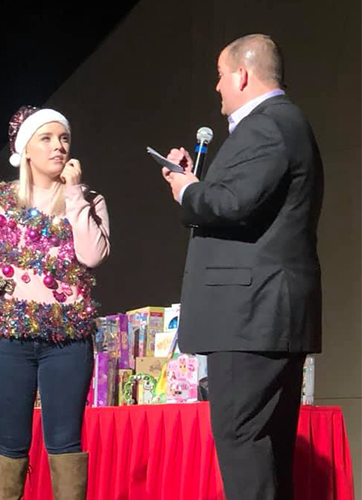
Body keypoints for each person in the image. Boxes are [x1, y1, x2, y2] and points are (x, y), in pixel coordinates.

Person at [162, 34, 323, 500]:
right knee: (265, 451)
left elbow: (231, 203)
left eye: (219, 75)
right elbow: (247, 198)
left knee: (244, 444)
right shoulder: (283, 124)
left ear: (242, 75)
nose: (216, 87)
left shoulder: (268, 124)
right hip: (266, 316)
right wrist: (197, 181)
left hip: (250, 318)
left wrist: (188, 191)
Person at [0, 105, 110, 500]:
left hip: (67, 340)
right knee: (9, 444)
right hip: (8, 339)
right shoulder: (2, 201)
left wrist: (73, 195)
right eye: (47, 138)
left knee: (65, 443)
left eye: (64, 139)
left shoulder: (89, 199)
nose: (58, 147)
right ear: (26, 149)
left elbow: (91, 256)